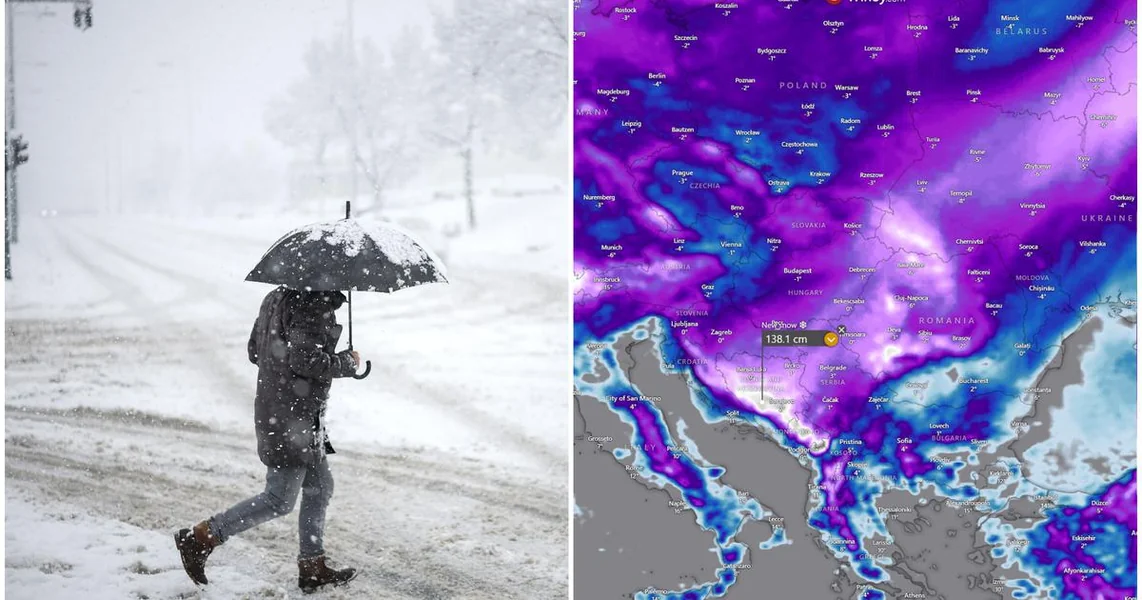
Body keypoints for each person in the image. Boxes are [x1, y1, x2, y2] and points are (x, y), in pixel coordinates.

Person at [175, 285, 362, 592]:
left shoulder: (276, 297)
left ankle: (312, 567)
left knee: (319, 486)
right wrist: (344, 362)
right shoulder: (312, 305)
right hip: (293, 417)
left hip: (283, 409)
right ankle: (201, 538)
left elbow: (254, 350)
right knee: (279, 499)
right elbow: (305, 361)